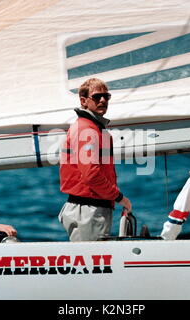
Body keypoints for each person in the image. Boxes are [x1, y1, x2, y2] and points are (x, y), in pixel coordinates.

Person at [58, 78, 132, 241]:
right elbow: (91, 174)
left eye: (107, 96)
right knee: (90, 262)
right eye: (97, 97)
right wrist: (119, 198)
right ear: (84, 101)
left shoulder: (94, 129)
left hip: (92, 209)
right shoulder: (86, 130)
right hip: (88, 210)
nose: (103, 100)